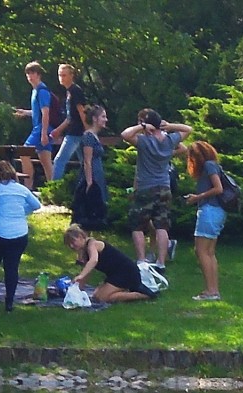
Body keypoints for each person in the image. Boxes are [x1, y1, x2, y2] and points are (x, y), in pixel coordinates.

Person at [120, 109, 192, 273]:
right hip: (164, 187)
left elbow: (125, 134)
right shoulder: (169, 140)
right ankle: (161, 262)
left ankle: (141, 261)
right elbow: (188, 130)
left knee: (137, 226)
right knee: (162, 226)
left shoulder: (145, 141)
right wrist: (169, 126)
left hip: (145, 187)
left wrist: (143, 126)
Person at [0, 161, 42, 312]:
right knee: (12, 268)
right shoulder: (22, 189)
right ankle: (9, 303)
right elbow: (36, 205)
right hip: (19, 233)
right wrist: (22, 211)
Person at [63, 224, 157, 303]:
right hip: (115, 275)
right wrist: (79, 289)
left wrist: (81, 275)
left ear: (80, 237)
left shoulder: (93, 244)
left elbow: (94, 260)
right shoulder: (83, 252)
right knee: (96, 295)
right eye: (69, 244)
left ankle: (142, 295)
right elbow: (88, 270)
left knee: (103, 298)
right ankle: (124, 290)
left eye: (73, 242)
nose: (71, 246)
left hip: (127, 272)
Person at [185, 141, 226, 301]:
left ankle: (211, 290)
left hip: (209, 210)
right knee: (209, 252)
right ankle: (213, 289)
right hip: (215, 211)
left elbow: (218, 188)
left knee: (201, 251)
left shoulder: (209, 166)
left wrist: (197, 197)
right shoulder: (213, 165)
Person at [13, 61, 54, 190]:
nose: (30, 77)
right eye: (28, 74)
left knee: (24, 153)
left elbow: (46, 113)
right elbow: (37, 112)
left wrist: (43, 133)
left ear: (38, 74)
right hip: (41, 128)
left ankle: (28, 187)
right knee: (46, 161)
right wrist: (25, 113)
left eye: (33, 73)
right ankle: (53, 190)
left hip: (41, 129)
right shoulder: (35, 91)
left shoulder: (42, 91)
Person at [71, 105, 109, 230]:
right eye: (103, 116)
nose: (106, 119)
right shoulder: (88, 136)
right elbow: (87, 161)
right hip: (90, 176)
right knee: (87, 210)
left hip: (97, 174)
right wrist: (89, 183)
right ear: (94, 118)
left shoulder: (95, 136)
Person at [51, 64, 88, 180]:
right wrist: (58, 130)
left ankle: (53, 189)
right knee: (85, 162)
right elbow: (69, 117)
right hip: (74, 130)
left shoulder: (75, 90)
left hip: (76, 132)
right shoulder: (68, 92)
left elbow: (82, 111)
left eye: (64, 75)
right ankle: (86, 186)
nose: (61, 78)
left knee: (59, 160)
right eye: (59, 75)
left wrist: (88, 130)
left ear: (72, 75)